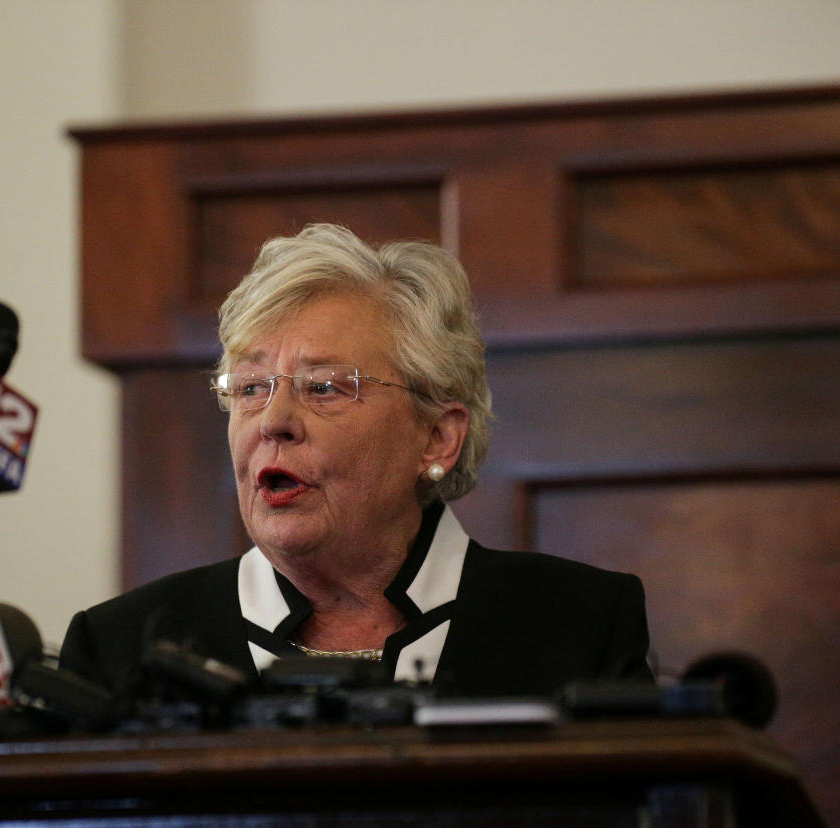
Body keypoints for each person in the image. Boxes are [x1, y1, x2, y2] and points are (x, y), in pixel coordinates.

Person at [61, 223, 652, 697]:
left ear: (437, 438)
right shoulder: (119, 647)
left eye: (323, 388)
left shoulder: (580, 626)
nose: (272, 421)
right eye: (248, 388)